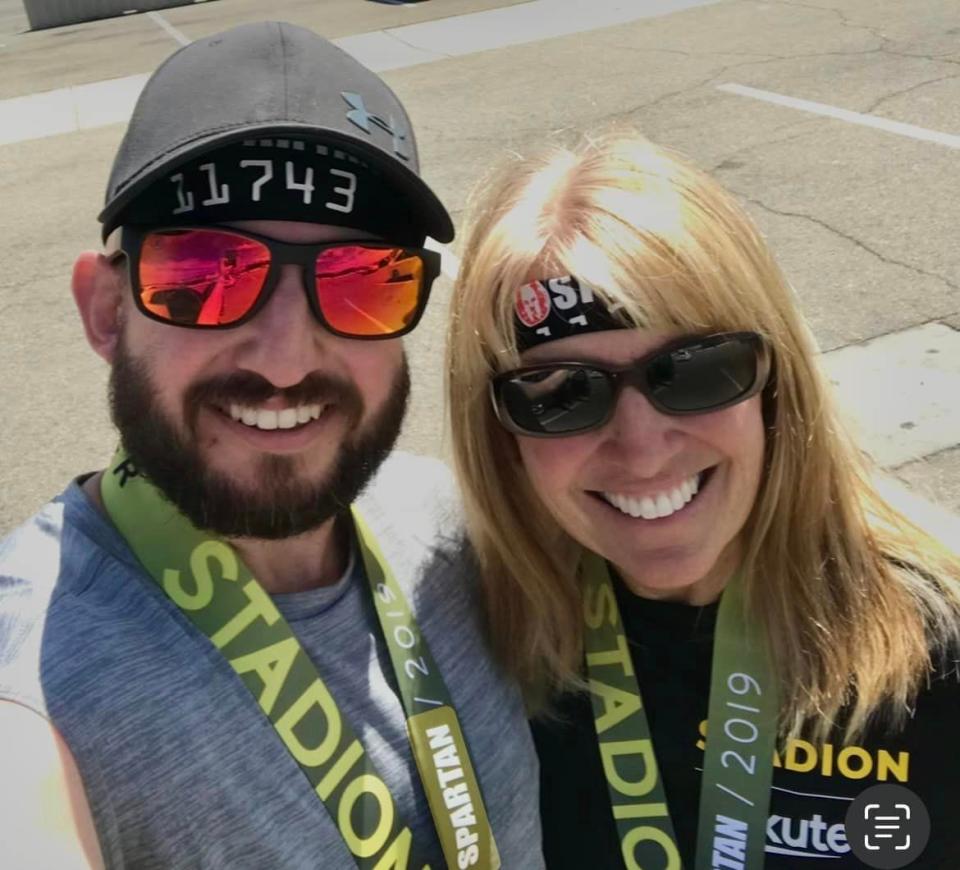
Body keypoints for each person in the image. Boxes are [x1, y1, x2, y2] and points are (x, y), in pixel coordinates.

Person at [0, 22, 542, 870]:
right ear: (107, 312)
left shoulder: (447, 527)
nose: (286, 359)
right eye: (207, 272)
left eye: (363, 279)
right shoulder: (39, 670)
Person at [446, 131, 960, 868]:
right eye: (561, 395)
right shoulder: (490, 649)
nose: (643, 446)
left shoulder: (937, 660)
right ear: (498, 435)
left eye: (696, 372)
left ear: (775, 383)